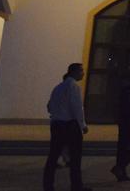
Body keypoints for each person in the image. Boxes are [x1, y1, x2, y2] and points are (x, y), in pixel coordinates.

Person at [43, 63, 90, 191]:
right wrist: (83, 125)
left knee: (53, 156)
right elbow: (77, 108)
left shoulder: (58, 87)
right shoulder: (73, 87)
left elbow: (49, 106)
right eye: (81, 71)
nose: (83, 73)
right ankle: (76, 185)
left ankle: (48, 185)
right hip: (70, 125)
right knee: (75, 158)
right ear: (74, 72)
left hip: (56, 124)